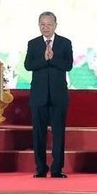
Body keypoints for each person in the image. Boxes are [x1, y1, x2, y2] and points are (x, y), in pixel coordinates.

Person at [24, 11, 73, 178]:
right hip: (38, 96)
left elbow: (68, 65)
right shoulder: (33, 43)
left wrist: (53, 59)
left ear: (55, 25)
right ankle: (40, 169)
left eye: (49, 24)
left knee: (58, 134)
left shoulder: (65, 43)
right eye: (42, 25)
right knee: (38, 134)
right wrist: (44, 59)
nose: (46, 28)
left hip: (58, 96)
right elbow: (28, 65)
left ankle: (57, 169)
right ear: (39, 26)